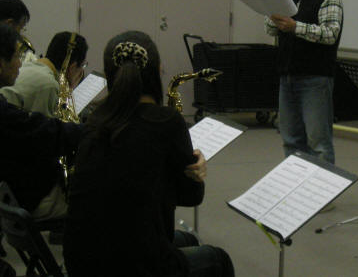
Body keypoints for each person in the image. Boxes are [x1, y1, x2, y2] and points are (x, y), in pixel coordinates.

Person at [63, 31, 234, 277]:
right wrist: (196, 171)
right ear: (157, 70)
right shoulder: (167, 121)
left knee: (187, 239)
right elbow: (191, 196)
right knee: (218, 259)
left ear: (110, 75)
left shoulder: (94, 120)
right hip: (133, 265)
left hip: (80, 261)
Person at [265, 0, 343, 164]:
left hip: (315, 78)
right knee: (290, 140)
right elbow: (270, 28)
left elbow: (330, 33)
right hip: (287, 76)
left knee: (318, 143)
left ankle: (323, 186)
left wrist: (295, 27)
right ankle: (295, 184)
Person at [0, 24, 81, 221]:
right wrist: (91, 129)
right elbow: (43, 132)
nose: (20, 64)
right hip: (24, 198)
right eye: (16, 57)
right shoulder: (5, 114)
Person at [0, 31, 88, 117]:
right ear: (72, 68)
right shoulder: (49, 85)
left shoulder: (31, 65)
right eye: (83, 66)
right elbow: (44, 125)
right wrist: (68, 91)